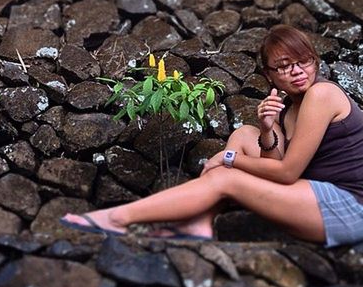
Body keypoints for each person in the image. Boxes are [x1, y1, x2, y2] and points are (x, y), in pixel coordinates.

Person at [60, 24, 363, 247]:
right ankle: (200, 223)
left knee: (225, 176)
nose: (297, 71)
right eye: (284, 66)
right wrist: (269, 130)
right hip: (316, 194)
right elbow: (275, 163)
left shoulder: (322, 94)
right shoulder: (287, 110)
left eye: (304, 61)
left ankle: (117, 219)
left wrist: (229, 160)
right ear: (269, 75)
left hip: (350, 207)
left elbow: (285, 173)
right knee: (247, 133)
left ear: (315, 61)